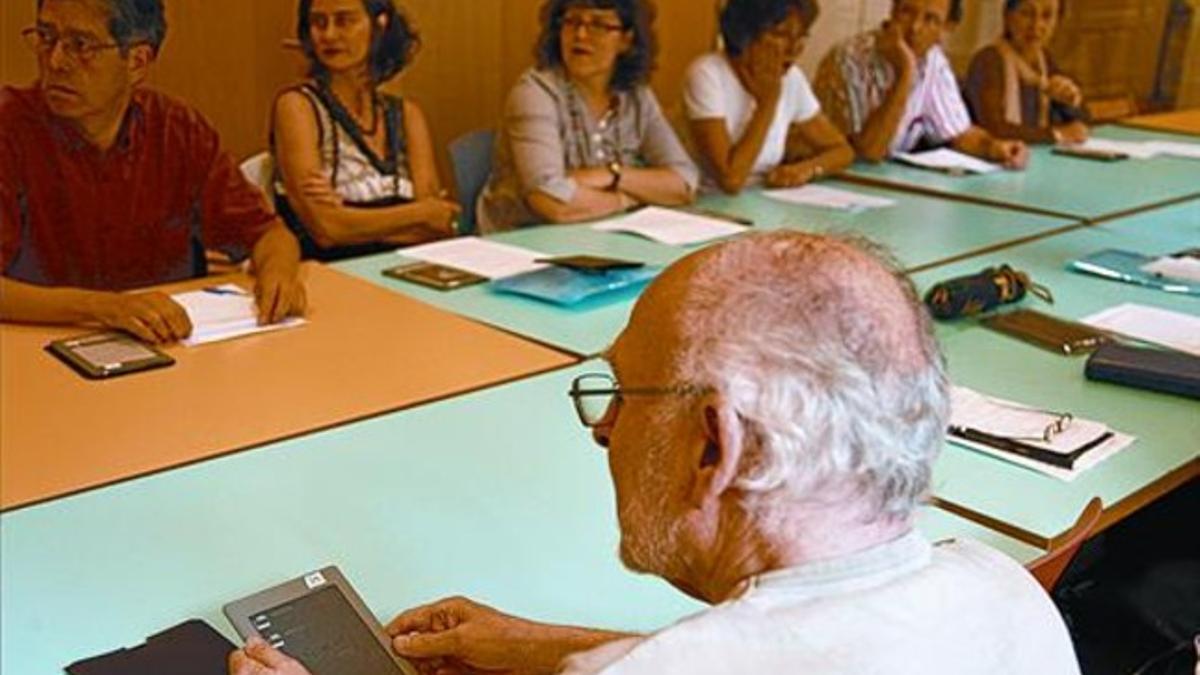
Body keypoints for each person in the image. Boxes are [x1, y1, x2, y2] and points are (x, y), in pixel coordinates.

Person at [230, 231, 1081, 675]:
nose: (603, 429)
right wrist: (543, 646)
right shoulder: (1001, 588)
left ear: (715, 444)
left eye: (622, 397)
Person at [1, 0, 305, 344]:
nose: (54, 61)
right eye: (45, 36)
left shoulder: (177, 130)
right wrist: (106, 308)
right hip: (37, 351)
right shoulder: (9, 129)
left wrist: (278, 277)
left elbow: (268, 234)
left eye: (80, 45)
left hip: (167, 348)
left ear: (137, 61)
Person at [476, 0, 699, 233]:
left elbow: (684, 182)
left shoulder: (636, 95)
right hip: (524, 242)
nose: (581, 35)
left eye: (599, 25)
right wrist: (630, 199)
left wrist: (611, 176)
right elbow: (551, 202)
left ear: (626, 40)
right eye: (572, 22)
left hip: (601, 236)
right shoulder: (535, 93)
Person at [272, 0, 459, 262]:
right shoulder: (298, 107)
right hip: (332, 275)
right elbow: (326, 231)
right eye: (318, 22)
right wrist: (417, 213)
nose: (329, 35)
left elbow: (438, 226)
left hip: (409, 267)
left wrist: (353, 222)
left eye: (344, 20)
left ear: (379, 25)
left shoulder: (406, 114)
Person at [814, 0, 1030, 168]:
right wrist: (905, 74)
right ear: (893, 10)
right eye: (907, 12)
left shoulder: (933, 60)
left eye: (930, 19)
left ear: (947, 28)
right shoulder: (851, 58)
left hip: (883, 184)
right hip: (838, 180)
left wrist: (995, 147)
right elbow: (869, 151)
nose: (915, 28)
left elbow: (959, 132)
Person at [684, 0, 853, 194]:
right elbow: (731, 179)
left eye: (801, 36)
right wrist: (767, 103)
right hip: (709, 204)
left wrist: (804, 171)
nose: (794, 48)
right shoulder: (707, 74)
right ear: (745, 34)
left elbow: (841, 151)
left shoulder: (792, 78)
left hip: (763, 200)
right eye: (780, 35)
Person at [963, 0, 1088, 145]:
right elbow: (994, 130)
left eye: (1047, 16)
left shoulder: (1045, 61)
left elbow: (1082, 122)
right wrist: (1055, 134)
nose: (1036, 26)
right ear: (1008, 17)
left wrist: (1071, 99)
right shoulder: (988, 61)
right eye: (1027, 14)